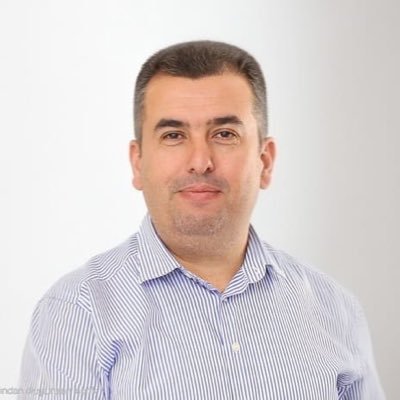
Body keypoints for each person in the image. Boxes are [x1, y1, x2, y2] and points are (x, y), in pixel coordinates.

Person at [18, 40, 385, 399]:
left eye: (224, 134)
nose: (200, 161)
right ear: (138, 163)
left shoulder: (336, 310)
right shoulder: (76, 312)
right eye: (174, 135)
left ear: (265, 161)